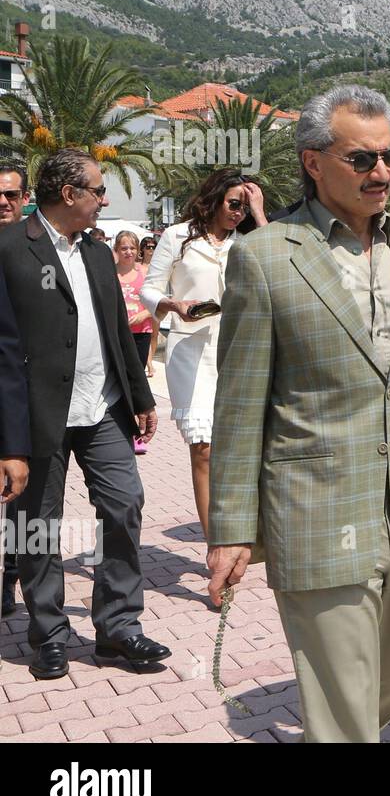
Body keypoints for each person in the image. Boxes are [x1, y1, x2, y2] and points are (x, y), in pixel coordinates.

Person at [207, 85, 390, 743]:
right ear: (314, 162)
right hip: (316, 512)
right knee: (342, 706)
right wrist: (232, 530)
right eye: (362, 158)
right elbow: (239, 405)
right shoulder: (263, 257)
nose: (381, 172)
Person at [0, 148, 169, 680]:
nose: (105, 199)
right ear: (69, 195)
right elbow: (2, 353)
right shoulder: (7, 248)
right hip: (38, 418)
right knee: (37, 527)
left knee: (124, 504)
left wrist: (141, 397)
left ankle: (118, 628)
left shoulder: (97, 252)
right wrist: (10, 444)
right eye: (98, 190)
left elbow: (120, 332)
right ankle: (48, 632)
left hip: (104, 410)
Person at [142, 171, 268, 538]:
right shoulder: (177, 236)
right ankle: (216, 546)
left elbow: (279, 265)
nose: (238, 213)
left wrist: (260, 216)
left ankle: (241, 530)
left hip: (237, 352)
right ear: (213, 198)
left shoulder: (247, 242)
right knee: (204, 448)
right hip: (190, 353)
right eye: (234, 204)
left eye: (245, 207)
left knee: (238, 450)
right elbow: (149, 290)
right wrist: (173, 303)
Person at [0, 161, 29, 618]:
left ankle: (9, 578)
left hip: (24, 394)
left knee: (19, 501)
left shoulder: (40, 250)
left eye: (12, 194)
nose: (3, 203)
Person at [114, 231, 152, 455]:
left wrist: (144, 314)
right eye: (123, 248)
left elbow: (157, 304)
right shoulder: (110, 274)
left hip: (141, 333)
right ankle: (124, 429)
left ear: (138, 250)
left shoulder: (145, 274)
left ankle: (140, 433)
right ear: (116, 251)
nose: (128, 252)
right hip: (119, 335)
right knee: (122, 384)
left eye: (132, 248)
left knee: (138, 385)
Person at [138, 234, 159, 376]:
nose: (151, 249)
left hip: (155, 303)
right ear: (143, 249)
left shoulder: (158, 267)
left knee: (154, 334)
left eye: (153, 247)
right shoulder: (137, 266)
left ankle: (149, 360)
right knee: (145, 333)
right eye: (148, 247)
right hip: (140, 304)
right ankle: (149, 363)